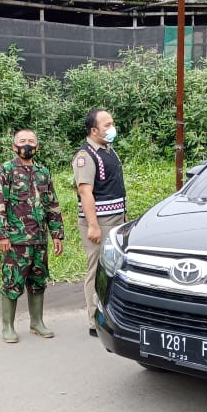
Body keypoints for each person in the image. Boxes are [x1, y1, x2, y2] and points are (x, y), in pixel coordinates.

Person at [0, 129, 64, 343]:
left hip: (39, 238)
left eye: (31, 141)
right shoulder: (6, 170)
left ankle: (37, 322)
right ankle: (8, 327)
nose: (27, 145)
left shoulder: (43, 172)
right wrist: (1, 235)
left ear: (37, 146)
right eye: (22, 141)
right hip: (16, 240)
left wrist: (57, 234)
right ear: (15, 147)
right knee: (12, 282)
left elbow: (52, 204)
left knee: (38, 280)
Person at [73, 108, 127, 337]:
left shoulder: (108, 150)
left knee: (115, 270)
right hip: (100, 222)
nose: (112, 128)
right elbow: (86, 193)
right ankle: (94, 319)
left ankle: (112, 314)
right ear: (94, 130)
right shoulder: (85, 157)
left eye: (112, 123)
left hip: (116, 220)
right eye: (107, 125)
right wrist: (93, 225)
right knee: (96, 270)